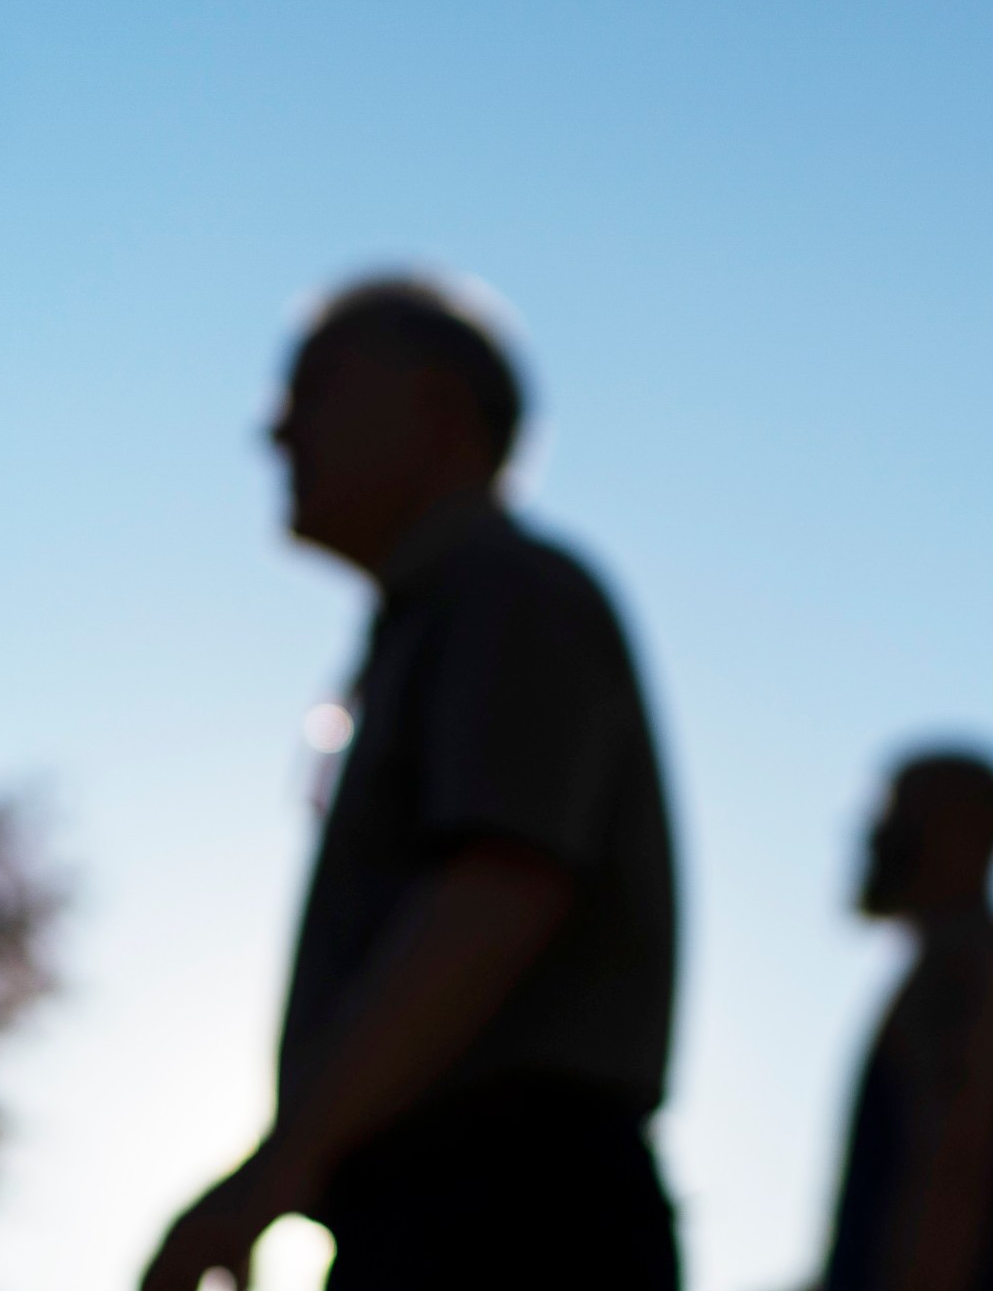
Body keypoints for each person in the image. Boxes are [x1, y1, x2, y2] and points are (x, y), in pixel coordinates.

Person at [142, 277, 682, 1290]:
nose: (276, 431)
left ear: (438, 409)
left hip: (508, 1214)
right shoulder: (444, 616)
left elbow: (498, 889)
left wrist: (273, 1172)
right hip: (456, 1209)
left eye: (316, 388)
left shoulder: (505, 592)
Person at [820, 752, 993, 1291]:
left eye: (895, 815)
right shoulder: (970, 968)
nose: (873, 839)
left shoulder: (969, 975)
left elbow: (949, 1183)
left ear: (966, 832)